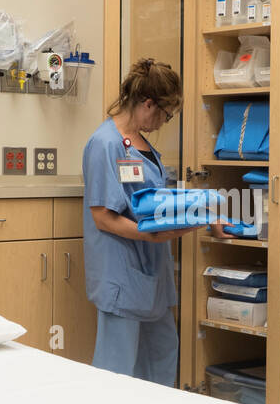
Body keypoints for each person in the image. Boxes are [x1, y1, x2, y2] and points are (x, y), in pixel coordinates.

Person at [82, 58, 229, 386]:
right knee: (116, 373)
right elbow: (103, 218)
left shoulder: (144, 146)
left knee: (161, 359)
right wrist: (151, 236)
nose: (164, 122)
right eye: (165, 114)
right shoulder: (104, 144)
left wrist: (206, 214)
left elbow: (157, 202)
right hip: (122, 273)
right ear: (148, 103)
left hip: (153, 276)